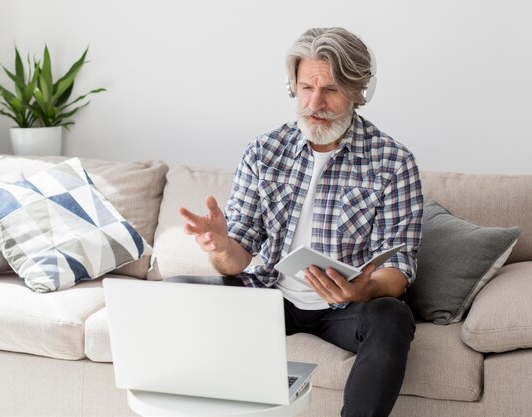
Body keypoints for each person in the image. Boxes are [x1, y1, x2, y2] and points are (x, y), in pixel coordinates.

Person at [178, 27, 423, 417]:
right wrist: (223, 247)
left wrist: (362, 290)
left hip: (346, 309)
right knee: (178, 292)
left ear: (359, 93)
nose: (315, 102)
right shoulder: (264, 151)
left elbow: (399, 267)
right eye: (306, 87)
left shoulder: (393, 162)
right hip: (274, 297)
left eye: (331, 90)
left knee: (393, 316)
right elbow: (236, 260)